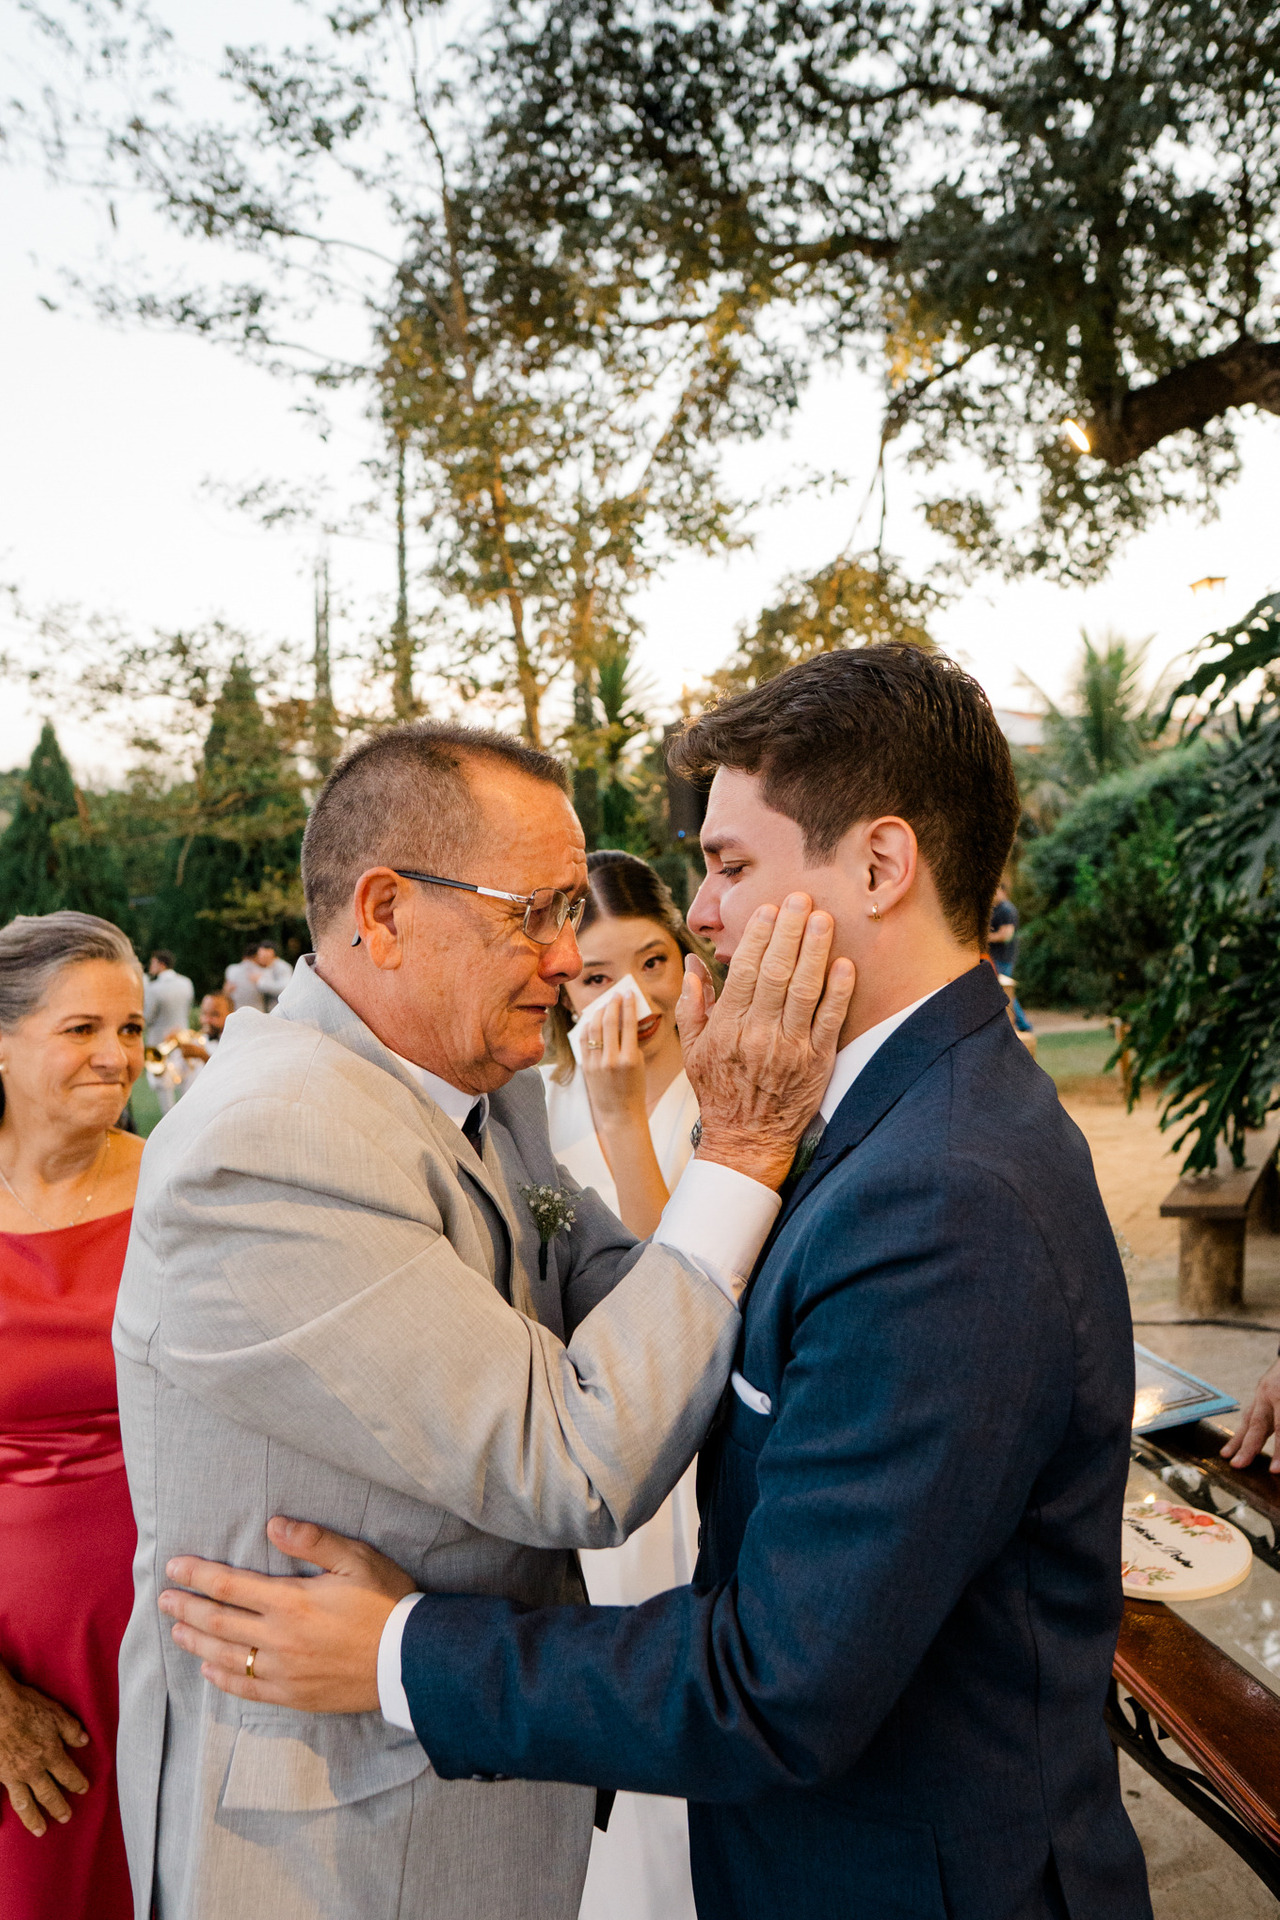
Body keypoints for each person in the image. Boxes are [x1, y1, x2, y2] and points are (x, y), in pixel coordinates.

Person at [163, 648, 1152, 1920]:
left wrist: (400, 1653)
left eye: (730, 864)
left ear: (878, 865)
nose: (698, 914)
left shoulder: (946, 1187)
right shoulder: (884, 1122)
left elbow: (771, 1684)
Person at [115, 720, 849, 1920]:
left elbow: (616, 1280)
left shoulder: (470, 1089)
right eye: (537, 912)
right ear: (386, 912)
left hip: (447, 1793)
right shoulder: (269, 1143)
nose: (571, 959)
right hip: (336, 1837)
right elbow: (576, 1461)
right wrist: (744, 1146)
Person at [541, 849, 705, 1920]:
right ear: (558, 982)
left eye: (652, 961)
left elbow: (677, 1295)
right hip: (589, 1452)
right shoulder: (529, 1110)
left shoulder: (728, 1097)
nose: (631, 998)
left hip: (696, 1451)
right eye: (596, 975)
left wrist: (620, 1121)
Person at [0, 912, 147, 1920]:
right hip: (21, 1677)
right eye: (82, 1029)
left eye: (132, 1029)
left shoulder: (182, 1185)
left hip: (178, 1631)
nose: (118, 1056)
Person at [989, 881, 1032, 1032]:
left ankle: (1023, 1025)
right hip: (996, 958)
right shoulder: (996, 909)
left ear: (1003, 891)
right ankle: (1018, 1024)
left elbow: (1006, 935)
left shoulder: (1006, 910)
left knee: (1006, 992)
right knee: (1004, 992)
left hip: (1003, 958)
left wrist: (985, 938)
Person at [142, 950, 193, 1049]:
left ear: (161, 964)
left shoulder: (153, 988)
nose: (150, 967)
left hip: (159, 1042)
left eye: (153, 963)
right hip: (182, 1037)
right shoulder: (186, 982)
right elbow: (188, 1009)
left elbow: (147, 1017)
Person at [222, 941, 265, 1012]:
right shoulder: (263, 971)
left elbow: (226, 991)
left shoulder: (231, 969)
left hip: (235, 1011)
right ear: (257, 957)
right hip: (257, 1013)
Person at [252, 941, 294, 1014]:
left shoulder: (283, 967)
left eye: (263, 955)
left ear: (271, 953)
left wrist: (260, 981)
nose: (260, 958)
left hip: (281, 1011)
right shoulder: (267, 967)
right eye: (259, 955)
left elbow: (283, 988)